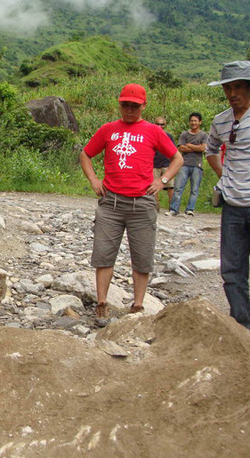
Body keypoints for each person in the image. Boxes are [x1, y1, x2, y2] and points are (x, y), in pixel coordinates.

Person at [79, 83, 183, 318]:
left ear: (144, 106)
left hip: (142, 203)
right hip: (111, 202)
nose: (129, 110)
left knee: (142, 255)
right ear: (120, 104)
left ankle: (137, 305)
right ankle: (102, 303)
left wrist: (162, 181)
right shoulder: (108, 130)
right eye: (125, 105)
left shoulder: (154, 131)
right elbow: (86, 154)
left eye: (134, 106)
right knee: (104, 254)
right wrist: (94, 179)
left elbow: (177, 158)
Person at [205, 60, 250, 337]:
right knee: (231, 269)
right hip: (231, 203)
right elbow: (211, 149)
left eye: (238, 87)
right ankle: (242, 327)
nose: (233, 94)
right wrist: (223, 175)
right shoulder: (221, 120)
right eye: (228, 88)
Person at [166, 113, 208, 216]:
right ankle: (174, 209)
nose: (193, 123)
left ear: (200, 122)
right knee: (178, 188)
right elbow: (181, 148)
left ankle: (190, 209)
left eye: (196, 121)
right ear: (189, 122)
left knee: (194, 189)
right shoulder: (184, 134)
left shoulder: (203, 135)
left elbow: (203, 148)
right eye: (192, 121)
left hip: (197, 165)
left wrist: (189, 145)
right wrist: (196, 147)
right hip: (184, 164)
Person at [152, 116, 176, 210]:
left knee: (170, 186)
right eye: (157, 124)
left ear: (165, 125)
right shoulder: (151, 135)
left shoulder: (168, 136)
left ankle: (172, 206)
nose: (159, 126)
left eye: (161, 124)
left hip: (166, 163)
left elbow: (173, 150)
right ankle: (155, 205)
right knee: (154, 186)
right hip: (154, 164)